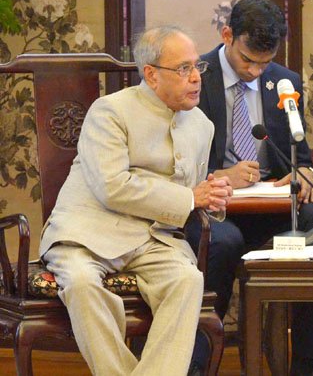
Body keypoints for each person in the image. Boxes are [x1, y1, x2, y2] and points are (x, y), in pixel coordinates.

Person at [39, 25, 232, 376]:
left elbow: (189, 197)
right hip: (87, 231)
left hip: (154, 239)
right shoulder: (110, 111)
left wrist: (211, 199)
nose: (196, 78)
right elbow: (112, 187)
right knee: (81, 283)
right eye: (184, 68)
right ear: (151, 75)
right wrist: (189, 197)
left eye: (197, 67)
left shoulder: (202, 125)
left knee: (188, 280)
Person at [186, 0, 313, 376]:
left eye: (264, 63)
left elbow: (296, 154)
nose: (255, 71)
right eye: (248, 60)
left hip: (267, 206)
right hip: (212, 205)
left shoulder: (284, 82)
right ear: (227, 35)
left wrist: (304, 173)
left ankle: (306, 362)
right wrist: (217, 176)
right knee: (223, 241)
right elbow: (174, 163)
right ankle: (200, 361)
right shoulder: (196, 78)